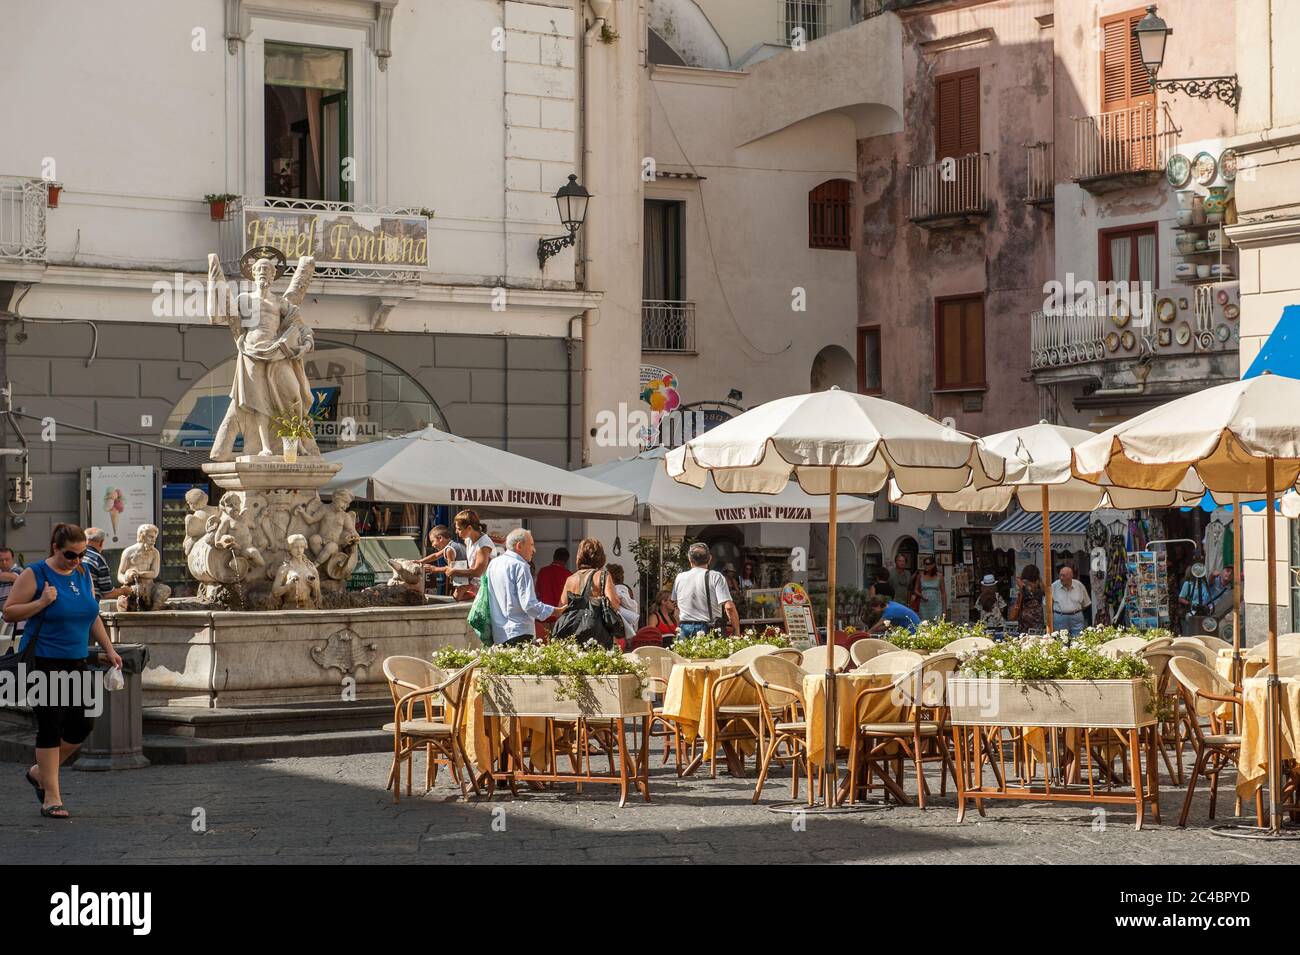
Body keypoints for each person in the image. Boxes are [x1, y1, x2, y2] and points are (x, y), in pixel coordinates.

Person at [3, 524, 122, 819]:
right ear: (56, 547)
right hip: (44, 660)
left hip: (77, 659)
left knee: (83, 726)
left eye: (82, 554)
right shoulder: (35, 573)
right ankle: (52, 798)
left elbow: (92, 614)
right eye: (71, 554)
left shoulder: (82, 574)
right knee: (51, 725)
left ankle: (38, 772)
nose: (77, 560)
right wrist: (42, 602)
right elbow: (9, 611)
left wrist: (109, 649)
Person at [483, 528, 555, 645]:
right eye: (531, 545)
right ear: (519, 546)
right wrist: (554, 611)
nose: (534, 550)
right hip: (519, 632)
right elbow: (529, 605)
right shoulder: (520, 566)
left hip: (499, 633)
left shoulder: (493, 564)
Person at [557, 539, 623, 643]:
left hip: (574, 632)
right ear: (600, 556)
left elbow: (561, 607)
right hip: (597, 632)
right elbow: (614, 603)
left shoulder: (570, 579)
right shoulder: (603, 575)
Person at [672, 542, 739, 642]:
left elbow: (676, 607)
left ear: (690, 559)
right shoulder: (715, 576)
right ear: (710, 559)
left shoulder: (680, 577)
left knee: (685, 657)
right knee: (713, 657)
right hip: (708, 628)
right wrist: (736, 630)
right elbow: (729, 607)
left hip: (684, 627)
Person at [428, 510, 493, 601]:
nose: (456, 532)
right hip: (476, 586)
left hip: (489, 590)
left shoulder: (483, 545)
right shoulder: (468, 540)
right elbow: (438, 554)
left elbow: (477, 572)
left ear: (469, 528)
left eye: (459, 529)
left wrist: (454, 571)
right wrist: (421, 561)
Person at [81, 528, 130, 602]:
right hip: (89, 604)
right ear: (101, 542)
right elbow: (107, 593)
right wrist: (124, 591)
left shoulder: (76, 555)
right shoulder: (98, 560)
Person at [418, 525, 464, 597]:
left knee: (457, 599)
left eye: (433, 541)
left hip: (464, 582)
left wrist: (434, 569)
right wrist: (420, 561)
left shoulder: (449, 550)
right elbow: (436, 556)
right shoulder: (453, 545)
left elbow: (450, 570)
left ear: (440, 538)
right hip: (464, 580)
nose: (433, 545)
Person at [534, 546, 570, 636]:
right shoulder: (569, 575)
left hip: (543, 616)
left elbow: (536, 593)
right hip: (559, 619)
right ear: (566, 560)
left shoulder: (543, 571)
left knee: (543, 647)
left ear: (554, 557)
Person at [1052, 564, 1091, 637]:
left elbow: (1086, 603)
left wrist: (1075, 611)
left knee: (1078, 640)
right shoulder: (1054, 586)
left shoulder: (1079, 585)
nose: (1061, 578)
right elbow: (1048, 604)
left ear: (1071, 576)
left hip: (1076, 618)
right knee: (1061, 642)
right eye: (1060, 575)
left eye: (1064, 576)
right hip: (1060, 617)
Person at [0, 546, 27, 643]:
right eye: (1, 560)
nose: (4, 562)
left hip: (18, 622)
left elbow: (13, 577)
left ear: (12, 559)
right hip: (4, 620)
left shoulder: (19, 570)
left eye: (7, 559)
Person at [606, 563, 639, 640]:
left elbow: (620, 599)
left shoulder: (619, 588)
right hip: (626, 625)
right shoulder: (624, 587)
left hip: (622, 625)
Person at [1010, 564, 1045, 633]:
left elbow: (1017, 578)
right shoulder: (1039, 586)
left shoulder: (1023, 586)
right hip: (1038, 617)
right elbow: (1045, 591)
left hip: (1025, 619)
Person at [912, 555, 946, 621]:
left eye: (928, 564)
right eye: (924, 564)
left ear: (933, 565)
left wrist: (944, 609)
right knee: (924, 624)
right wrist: (921, 596)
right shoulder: (920, 576)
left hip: (936, 605)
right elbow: (915, 590)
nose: (925, 566)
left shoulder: (939, 576)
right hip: (924, 605)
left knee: (936, 624)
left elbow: (943, 593)